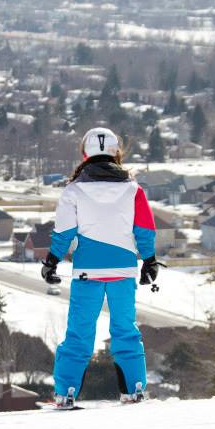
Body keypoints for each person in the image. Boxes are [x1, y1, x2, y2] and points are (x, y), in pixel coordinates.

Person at [41, 126, 162, 407]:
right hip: (123, 271)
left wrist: (52, 261)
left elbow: (63, 233)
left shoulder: (74, 190)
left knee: (80, 333)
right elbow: (144, 230)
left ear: (85, 154)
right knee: (125, 330)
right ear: (116, 152)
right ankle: (135, 389)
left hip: (88, 273)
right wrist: (150, 260)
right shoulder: (133, 190)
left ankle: (65, 392)